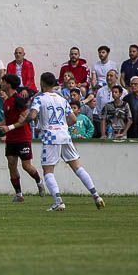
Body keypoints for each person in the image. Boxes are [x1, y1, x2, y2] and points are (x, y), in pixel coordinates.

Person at [28, 73, 105, 212]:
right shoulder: (62, 99)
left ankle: (58, 201)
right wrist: (62, 126)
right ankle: (96, 195)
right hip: (65, 135)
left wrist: (30, 119)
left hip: (51, 137)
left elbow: (32, 115)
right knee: (78, 167)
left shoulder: (39, 99)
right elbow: (73, 119)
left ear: (42, 83)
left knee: (48, 171)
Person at [0, 76, 46, 202]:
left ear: (9, 84)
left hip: (23, 137)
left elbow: (24, 120)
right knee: (11, 165)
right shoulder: (6, 101)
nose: (2, 84)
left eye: (4, 82)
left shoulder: (18, 100)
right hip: (11, 138)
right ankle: (19, 195)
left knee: (26, 166)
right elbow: (9, 119)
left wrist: (9, 128)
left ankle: (39, 181)